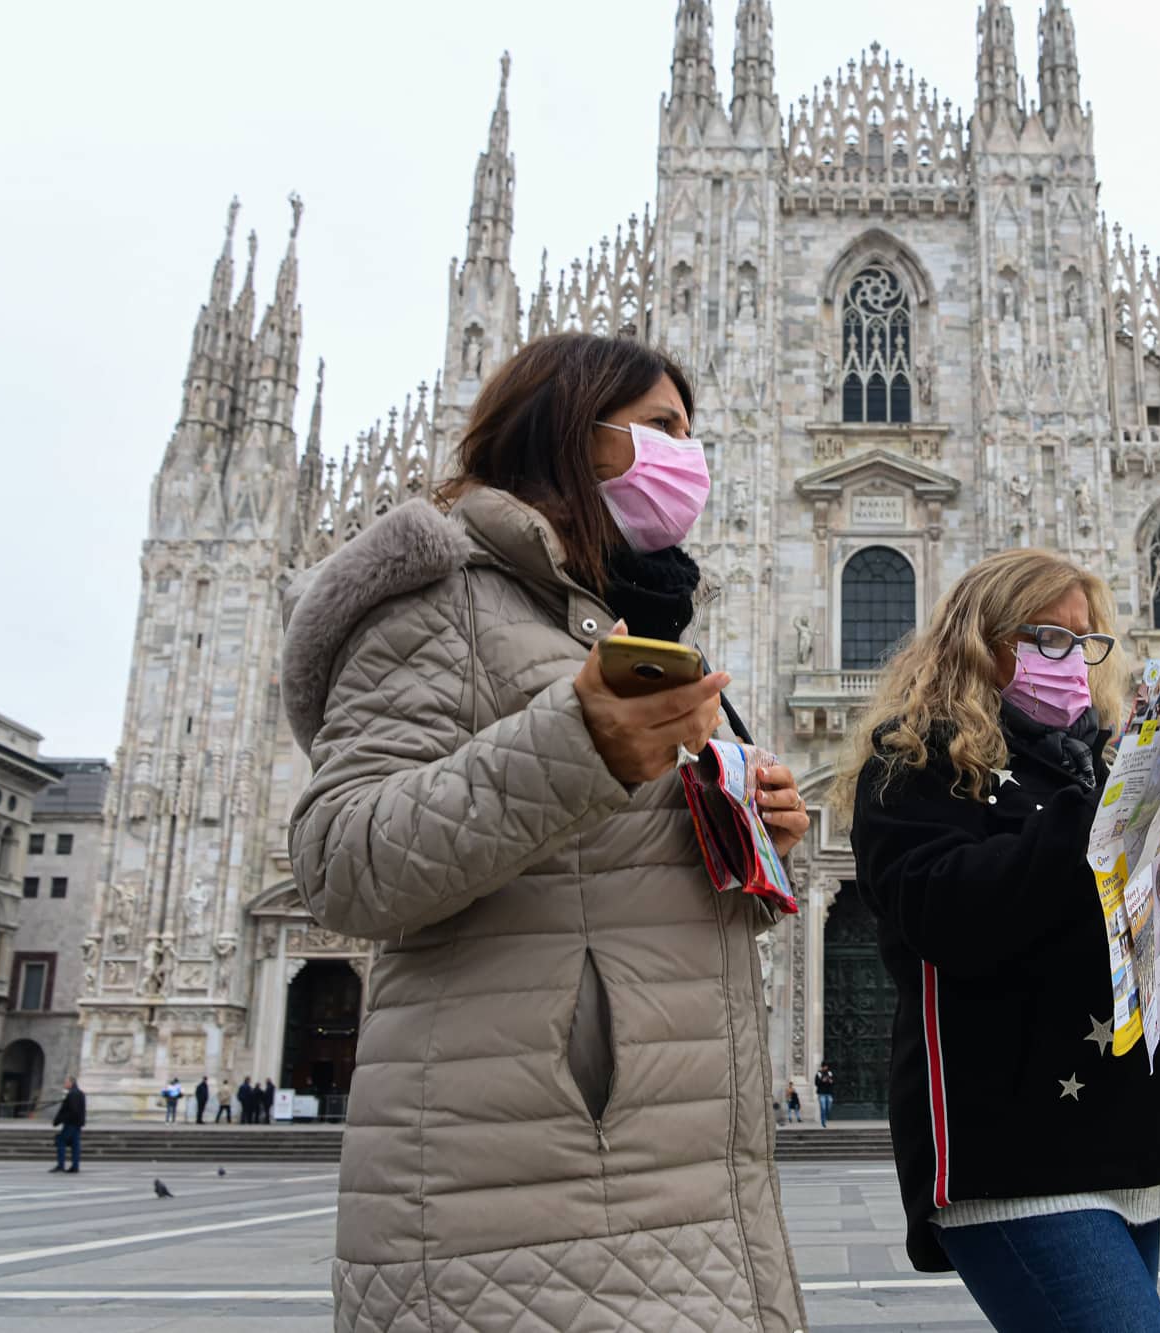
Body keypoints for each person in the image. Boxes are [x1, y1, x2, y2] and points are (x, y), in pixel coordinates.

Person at [284, 332, 810, 1332]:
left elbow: (607, 877)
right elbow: (339, 862)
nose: (687, 456)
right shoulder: (443, 600)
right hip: (521, 1192)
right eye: (661, 429)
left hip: (684, 1177)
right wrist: (579, 747)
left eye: (692, 435)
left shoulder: (627, 622)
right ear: (574, 435)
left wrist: (757, 837)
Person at [841, 548, 1160, 1332]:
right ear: (983, 641)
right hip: (1014, 1149)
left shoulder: (1097, 762)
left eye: (1084, 643)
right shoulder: (913, 761)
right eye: (1047, 637)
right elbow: (940, 912)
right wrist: (1109, 812)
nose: (1073, 660)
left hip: (1122, 1140)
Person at [51, 1077, 85, 1173]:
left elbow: (70, 1110)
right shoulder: (80, 1093)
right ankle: (75, 1166)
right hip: (77, 1123)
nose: (65, 1084)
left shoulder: (72, 1094)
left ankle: (61, 1165)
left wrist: (59, 1120)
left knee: (60, 1141)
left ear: (71, 1083)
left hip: (71, 1123)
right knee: (75, 1145)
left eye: (66, 1082)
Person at [815, 1061, 835, 1126]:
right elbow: (816, 1083)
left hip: (829, 1093)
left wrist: (830, 1081)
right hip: (821, 1093)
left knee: (828, 1107)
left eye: (827, 1066)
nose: (826, 1067)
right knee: (823, 1107)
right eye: (825, 1066)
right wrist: (822, 1081)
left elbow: (833, 1081)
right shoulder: (819, 1074)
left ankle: (825, 1117)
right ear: (822, 1067)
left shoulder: (830, 1073)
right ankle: (823, 1121)